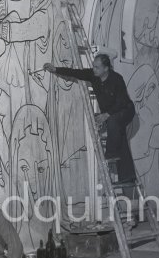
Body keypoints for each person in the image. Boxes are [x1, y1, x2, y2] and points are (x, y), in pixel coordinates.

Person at [44, 54, 136, 183]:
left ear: (106, 68)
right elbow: (76, 73)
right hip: (112, 112)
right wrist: (56, 69)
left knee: (113, 122)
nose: (94, 69)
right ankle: (128, 176)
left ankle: (111, 153)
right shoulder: (94, 76)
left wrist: (106, 114)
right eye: (93, 66)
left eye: (97, 67)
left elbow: (121, 102)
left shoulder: (117, 79)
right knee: (120, 136)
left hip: (125, 110)